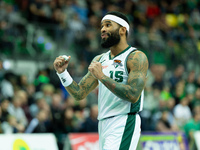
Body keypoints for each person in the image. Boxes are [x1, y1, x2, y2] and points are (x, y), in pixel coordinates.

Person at [53, 11, 148, 150]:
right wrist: (63, 73)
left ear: (122, 30)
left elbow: (133, 95)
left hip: (124, 120)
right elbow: (79, 93)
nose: (103, 29)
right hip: (103, 123)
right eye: (102, 26)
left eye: (108, 25)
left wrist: (102, 76)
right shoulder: (100, 59)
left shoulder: (136, 57)